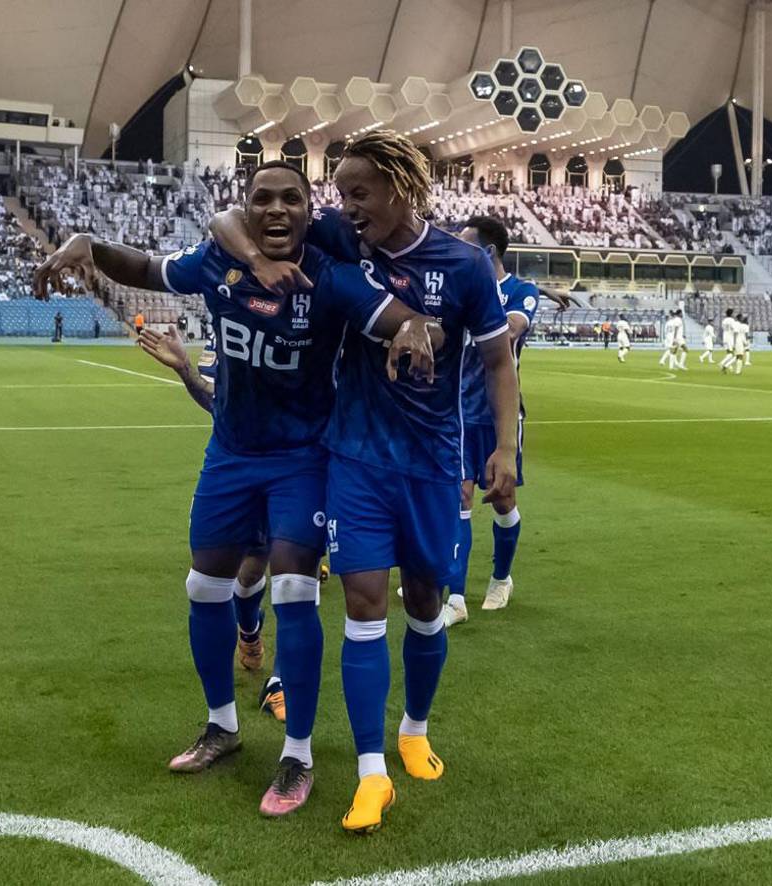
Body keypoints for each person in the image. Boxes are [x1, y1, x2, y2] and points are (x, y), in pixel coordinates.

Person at [36, 160, 442, 819]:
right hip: (230, 451)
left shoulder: (329, 277)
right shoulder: (214, 263)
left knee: (294, 589)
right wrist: (89, 244)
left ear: (312, 211)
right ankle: (221, 725)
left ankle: (298, 753)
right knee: (203, 585)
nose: (276, 209)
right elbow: (144, 268)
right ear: (246, 210)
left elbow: (394, 315)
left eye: (291, 198)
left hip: (303, 458)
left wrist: (415, 327)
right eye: (262, 199)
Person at [210, 131, 519, 834]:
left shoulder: (465, 264)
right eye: (341, 194)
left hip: (434, 463)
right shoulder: (337, 241)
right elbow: (228, 223)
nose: (344, 207)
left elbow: (500, 363)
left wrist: (503, 447)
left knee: (427, 602)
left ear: (400, 188)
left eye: (359, 193)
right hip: (352, 458)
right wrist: (258, 253)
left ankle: (414, 727)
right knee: (362, 603)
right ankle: (371, 773)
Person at [139, 324, 288, 721]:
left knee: (296, 583)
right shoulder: (229, 325)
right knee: (246, 573)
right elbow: (215, 400)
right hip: (237, 467)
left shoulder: (317, 310)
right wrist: (186, 370)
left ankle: (281, 682)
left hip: (301, 468)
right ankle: (250, 632)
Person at [443, 215, 537, 625]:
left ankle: (501, 578)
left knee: (502, 500)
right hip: (459, 414)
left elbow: (514, 327)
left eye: (467, 246)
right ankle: (456, 598)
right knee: (459, 499)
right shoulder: (462, 289)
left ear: (489, 252)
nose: (460, 253)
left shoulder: (520, 291)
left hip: (499, 417)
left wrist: (490, 304)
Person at [719, 308, 737, 373]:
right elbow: (734, 329)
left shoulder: (724, 321)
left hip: (725, 337)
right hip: (730, 337)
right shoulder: (732, 320)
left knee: (729, 353)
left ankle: (729, 366)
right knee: (734, 355)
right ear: (731, 314)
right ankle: (723, 364)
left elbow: (723, 328)